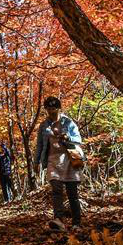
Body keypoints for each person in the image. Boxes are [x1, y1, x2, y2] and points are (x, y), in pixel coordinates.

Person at [34, 97, 84, 231]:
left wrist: (68, 137)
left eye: (53, 109)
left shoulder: (68, 122)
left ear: (59, 108)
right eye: (48, 109)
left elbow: (78, 139)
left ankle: (76, 223)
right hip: (52, 160)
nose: (51, 111)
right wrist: (36, 161)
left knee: (72, 192)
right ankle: (59, 221)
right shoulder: (44, 126)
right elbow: (40, 144)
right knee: (56, 190)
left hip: (69, 159)